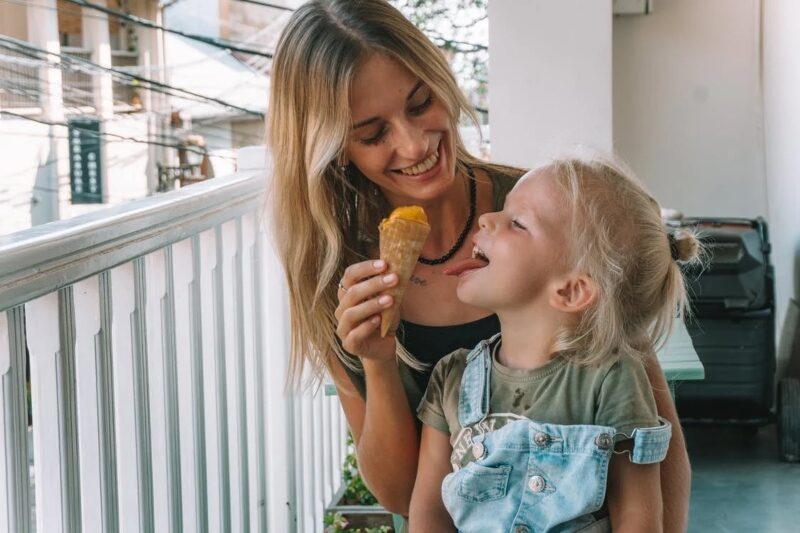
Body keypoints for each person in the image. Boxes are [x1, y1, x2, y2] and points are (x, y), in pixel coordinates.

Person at [266, 1, 692, 530]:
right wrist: (377, 363)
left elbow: (656, 447)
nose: (414, 144)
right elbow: (404, 495)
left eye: (420, 103)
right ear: (336, 149)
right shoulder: (340, 276)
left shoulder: (547, 211)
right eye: (373, 134)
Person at [409, 157, 700, 532]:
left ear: (572, 290)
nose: (487, 219)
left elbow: (639, 519)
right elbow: (429, 514)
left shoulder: (612, 378)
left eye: (517, 222)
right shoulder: (451, 378)